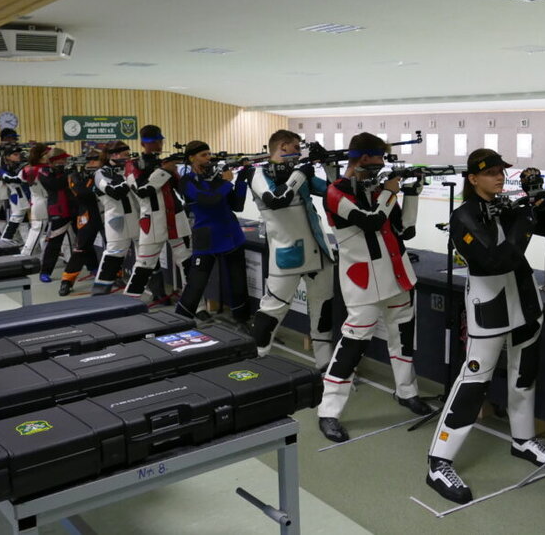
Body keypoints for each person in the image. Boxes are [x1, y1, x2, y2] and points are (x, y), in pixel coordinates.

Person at [424, 150, 545, 504]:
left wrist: (538, 199)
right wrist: (526, 216)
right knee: (474, 381)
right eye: (490, 173)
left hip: (524, 297)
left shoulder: (503, 205)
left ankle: (523, 439)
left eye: (502, 171)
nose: (499, 177)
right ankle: (439, 461)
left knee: (524, 374)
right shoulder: (463, 216)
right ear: (473, 179)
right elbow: (495, 260)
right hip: (489, 304)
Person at [316, 132, 432, 443]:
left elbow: (405, 230)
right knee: (352, 345)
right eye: (378, 159)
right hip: (363, 281)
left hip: (397, 275)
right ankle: (328, 411)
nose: (381, 165)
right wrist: (390, 192)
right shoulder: (335, 192)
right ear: (364, 158)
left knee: (402, 339)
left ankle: (407, 392)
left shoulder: (378, 189)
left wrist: (412, 194)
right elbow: (370, 221)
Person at [248, 130, 341, 370]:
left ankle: (325, 368)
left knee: (322, 314)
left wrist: (329, 165)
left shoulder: (296, 174)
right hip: (287, 256)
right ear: (283, 146)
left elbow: (334, 192)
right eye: (296, 148)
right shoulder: (258, 174)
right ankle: (253, 364)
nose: (299, 153)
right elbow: (275, 199)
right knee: (271, 311)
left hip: (320, 252)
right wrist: (301, 173)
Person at [175, 140, 252, 323]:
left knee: (239, 284)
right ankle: (178, 323)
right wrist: (227, 182)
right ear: (191, 158)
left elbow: (237, 205)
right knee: (196, 285)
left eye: (209, 154)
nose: (208, 158)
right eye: (203, 155)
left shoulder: (216, 179)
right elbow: (208, 200)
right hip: (207, 238)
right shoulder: (186, 182)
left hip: (231, 235)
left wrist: (241, 180)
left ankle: (242, 321)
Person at [124, 125, 192, 302]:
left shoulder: (164, 164)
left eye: (159, 141)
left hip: (176, 218)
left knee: (187, 262)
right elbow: (141, 191)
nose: (158, 145)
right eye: (153, 142)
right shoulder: (133, 165)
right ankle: (128, 304)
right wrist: (164, 171)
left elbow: (183, 190)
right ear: (143, 144)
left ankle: (194, 305)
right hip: (152, 221)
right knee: (144, 264)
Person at [91, 141, 140, 295]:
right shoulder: (100, 173)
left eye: (128, 155)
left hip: (136, 218)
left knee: (146, 256)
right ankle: (100, 294)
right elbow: (114, 192)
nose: (128, 158)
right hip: (117, 220)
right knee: (113, 256)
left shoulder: (125, 170)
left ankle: (155, 291)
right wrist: (130, 177)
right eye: (125, 155)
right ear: (113, 155)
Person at [59, 148, 104, 296]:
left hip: (108, 213)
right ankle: (67, 280)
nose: (92, 162)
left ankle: (115, 275)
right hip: (88, 214)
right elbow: (82, 193)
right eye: (89, 159)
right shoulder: (75, 175)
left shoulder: (107, 172)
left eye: (96, 159)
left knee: (113, 247)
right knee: (80, 248)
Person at [38, 147, 76, 282]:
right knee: (54, 243)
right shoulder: (44, 171)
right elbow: (54, 185)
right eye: (62, 159)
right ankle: (45, 271)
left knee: (84, 240)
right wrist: (67, 174)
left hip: (75, 208)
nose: (65, 161)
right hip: (59, 210)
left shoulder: (66, 170)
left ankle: (93, 267)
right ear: (54, 160)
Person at [0, 145, 29, 242]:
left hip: (28, 195)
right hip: (17, 196)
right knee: (16, 219)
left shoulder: (23, 165)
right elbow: (10, 179)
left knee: (25, 221)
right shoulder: (3, 168)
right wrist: (22, 172)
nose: (18, 156)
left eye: (19, 154)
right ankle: (4, 241)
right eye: (15, 154)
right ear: (7, 157)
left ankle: (27, 243)